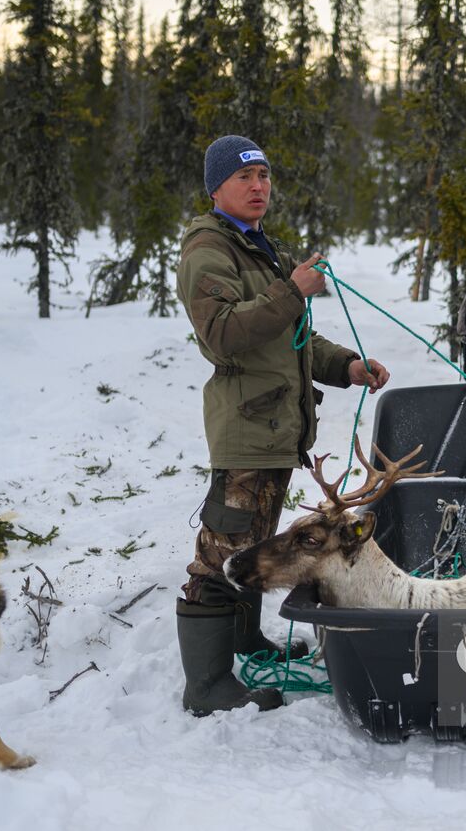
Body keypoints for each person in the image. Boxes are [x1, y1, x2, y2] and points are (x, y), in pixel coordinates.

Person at [174, 134, 390, 716]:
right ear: (216, 187)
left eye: (265, 176)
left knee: (256, 544)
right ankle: (207, 684)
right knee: (221, 553)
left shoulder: (254, 247)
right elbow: (221, 333)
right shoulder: (208, 250)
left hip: (274, 430)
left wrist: (345, 365)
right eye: (245, 178)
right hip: (246, 427)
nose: (258, 187)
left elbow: (292, 338)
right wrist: (291, 288)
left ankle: (244, 642)